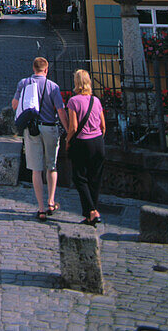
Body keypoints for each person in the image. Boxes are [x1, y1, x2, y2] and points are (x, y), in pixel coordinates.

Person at [12, 56, 67, 221]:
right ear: (46, 69)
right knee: (51, 165)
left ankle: (41, 208)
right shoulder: (53, 86)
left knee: (36, 169)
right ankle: (51, 201)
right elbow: (61, 110)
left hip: (32, 129)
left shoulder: (24, 83)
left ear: (33, 68)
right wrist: (68, 129)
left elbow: (15, 105)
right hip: (50, 127)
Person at [66, 69, 106, 226]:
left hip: (83, 142)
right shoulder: (96, 100)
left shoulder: (73, 101)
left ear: (76, 83)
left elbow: (73, 127)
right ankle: (91, 213)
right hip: (98, 142)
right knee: (95, 178)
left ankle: (92, 211)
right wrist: (98, 138)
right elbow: (103, 126)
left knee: (79, 178)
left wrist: (68, 141)